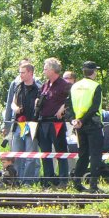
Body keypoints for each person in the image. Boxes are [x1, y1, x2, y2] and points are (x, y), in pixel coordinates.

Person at [66, 61, 104, 192]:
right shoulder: (95, 86)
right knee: (95, 155)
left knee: (83, 154)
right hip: (92, 123)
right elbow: (94, 107)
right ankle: (93, 185)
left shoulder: (74, 86)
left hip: (79, 126)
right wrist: (82, 120)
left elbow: (69, 106)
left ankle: (77, 182)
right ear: (94, 72)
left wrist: (74, 121)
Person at [36, 57, 71, 187]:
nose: (43, 71)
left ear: (52, 70)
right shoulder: (45, 85)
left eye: (45, 68)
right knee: (45, 153)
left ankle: (63, 180)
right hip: (43, 122)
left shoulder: (64, 84)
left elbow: (72, 98)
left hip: (56, 123)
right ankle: (48, 179)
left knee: (60, 151)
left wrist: (63, 107)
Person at [3, 59, 41, 177]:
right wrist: (14, 108)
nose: (20, 75)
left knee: (30, 156)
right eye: (20, 72)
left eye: (23, 72)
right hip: (18, 124)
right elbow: (12, 102)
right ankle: (17, 179)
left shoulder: (39, 88)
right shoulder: (18, 86)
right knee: (17, 154)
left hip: (32, 125)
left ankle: (28, 180)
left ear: (30, 73)